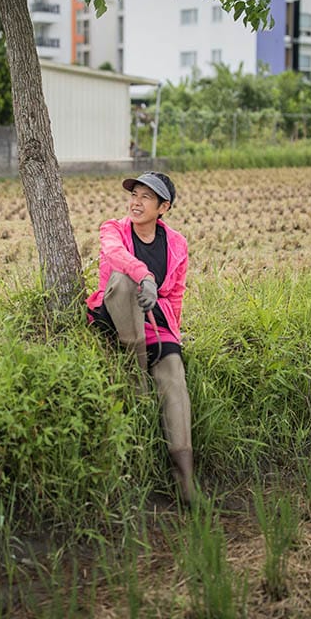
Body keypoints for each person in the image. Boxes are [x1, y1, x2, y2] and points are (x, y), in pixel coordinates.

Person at [87, 171, 195, 503]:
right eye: (135, 194)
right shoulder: (113, 229)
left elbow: (175, 294)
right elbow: (114, 256)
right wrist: (144, 276)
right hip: (117, 321)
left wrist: (172, 336)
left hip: (155, 325)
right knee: (122, 281)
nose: (136, 201)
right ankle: (136, 373)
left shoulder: (176, 244)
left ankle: (187, 482)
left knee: (175, 378)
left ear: (164, 207)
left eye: (147, 197)